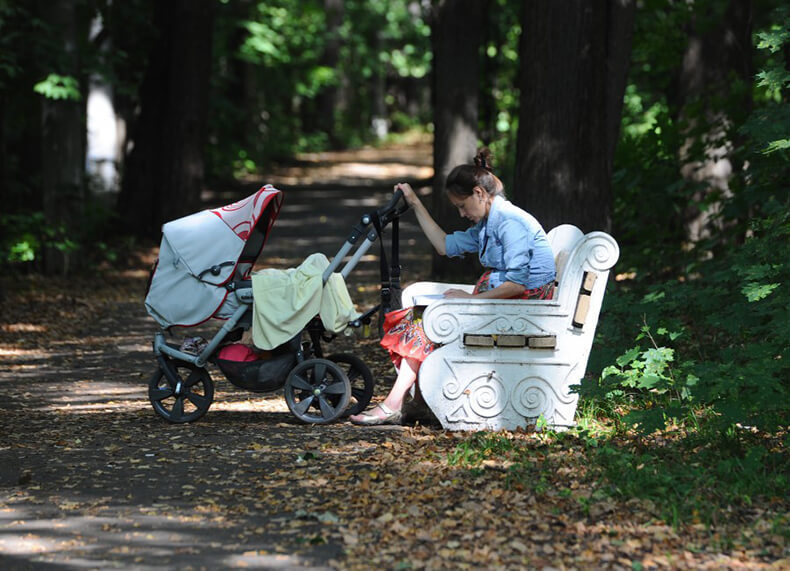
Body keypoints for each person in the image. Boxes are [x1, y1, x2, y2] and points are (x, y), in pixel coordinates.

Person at [349, 148, 557, 426]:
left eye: (462, 205)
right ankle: (418, 402)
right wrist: (414, 203)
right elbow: (444, 246)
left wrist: (470, 300)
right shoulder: (488, 223)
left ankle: (393, 404)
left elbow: (516, 286)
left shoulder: (510, 223)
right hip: (506, 302)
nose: (461, 213)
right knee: (421, 316)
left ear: (479, 194)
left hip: (523, 309)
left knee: (425, 323)